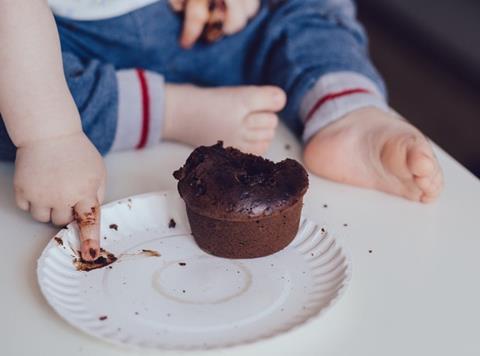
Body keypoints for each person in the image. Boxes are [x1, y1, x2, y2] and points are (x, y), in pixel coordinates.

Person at [0, 0, 443, 261]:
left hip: (217, 27)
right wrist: (50, 135)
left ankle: (344, 108)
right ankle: (171, 109)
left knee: (309, 9)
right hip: (55, 51)